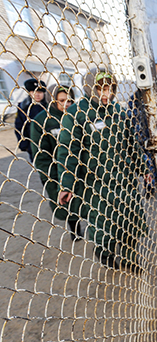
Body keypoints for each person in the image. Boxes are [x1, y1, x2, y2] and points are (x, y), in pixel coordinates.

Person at [56, 68, 148, 271]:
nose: (106, 93)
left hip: (124, 179)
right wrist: (66, 184)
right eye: (100, 89)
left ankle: (129, 259)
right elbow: (68, 151)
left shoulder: (119, 111)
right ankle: (104, 252)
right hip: (96, 184)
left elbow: (132, 144)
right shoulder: (76, 114)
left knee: (129, 221)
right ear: (91, 89)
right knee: (104, 225)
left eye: (110, 88)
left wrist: (144, 169)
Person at [30, 84, 84, 240]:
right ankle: (75, 229)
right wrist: (51, 176)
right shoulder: (42, 121)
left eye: (69, 100)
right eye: (61, 100)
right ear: (52, 100)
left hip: (79, 166)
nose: (66, 104)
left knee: (83, 198)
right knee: (68, 203)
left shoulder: (76, 115)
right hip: (57, 170)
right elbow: (41, 155)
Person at [15, 78, 48, 161]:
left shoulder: (49, 106)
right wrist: (24, 145)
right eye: (33, 92)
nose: (37, 95)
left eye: (40, 92)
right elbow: (19, 127)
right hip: (33, 145)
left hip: (49, 142)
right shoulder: (23, 107)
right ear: (29, 93)